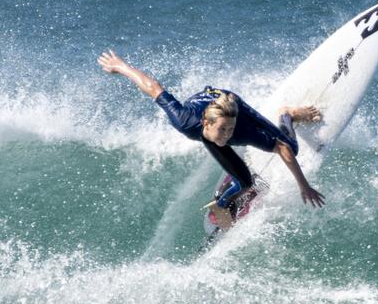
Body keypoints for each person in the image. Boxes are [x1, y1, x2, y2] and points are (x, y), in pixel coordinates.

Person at [98, 50, 325, 228]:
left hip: (231, 104)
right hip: (205, 112)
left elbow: (282, 147)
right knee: (245, 182)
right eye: (224, 130)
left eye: (230, 130)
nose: (228, 136)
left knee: (292, 148)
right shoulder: (184, 121)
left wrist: (303, 185)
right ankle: (223, 203)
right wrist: (120, 66)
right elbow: (153, 88)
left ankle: (287, 114)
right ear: (207, 124)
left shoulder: (239, 129)